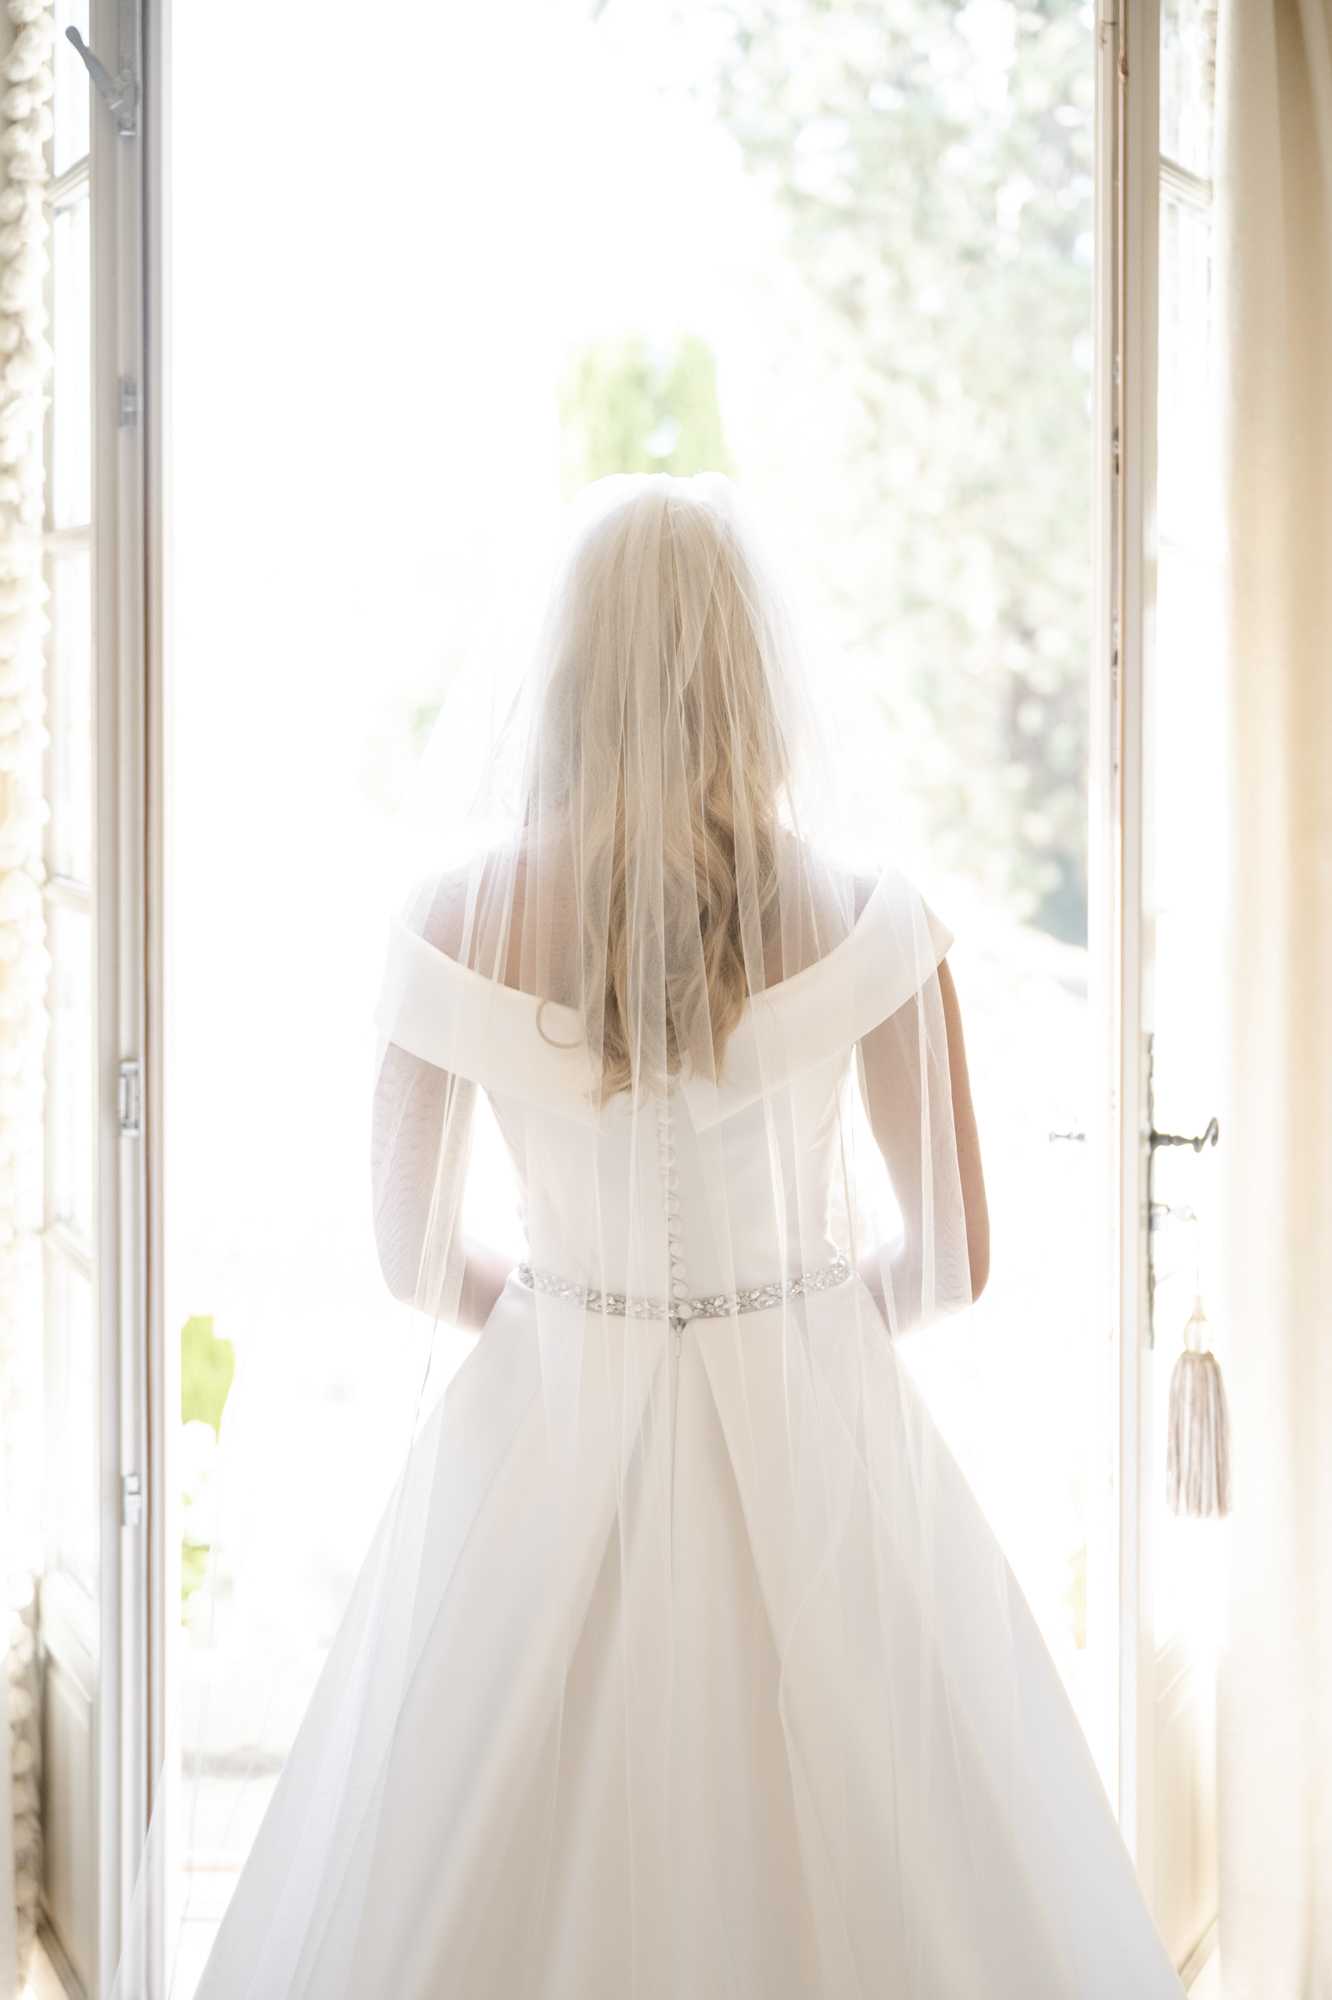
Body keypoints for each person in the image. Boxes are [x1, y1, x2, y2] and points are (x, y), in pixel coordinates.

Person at [175, 473, 1184, 1996]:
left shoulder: (448, 925)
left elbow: (408, 1257)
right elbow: (958, 1253)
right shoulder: (872, 919)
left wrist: (577, 1319)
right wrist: (798, 1323)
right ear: (755, 672)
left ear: (562, 675)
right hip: (815, 1421)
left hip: (540, 1426)